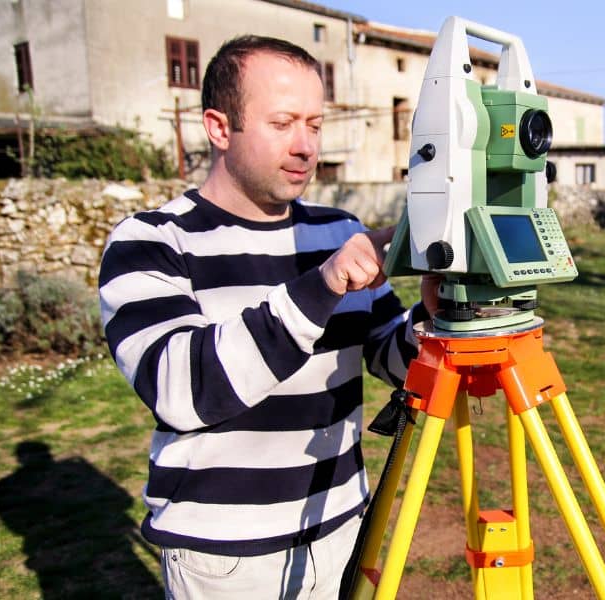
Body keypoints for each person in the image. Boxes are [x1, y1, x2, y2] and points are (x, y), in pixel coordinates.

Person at [98, 35, 437, 598]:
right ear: (218, 127)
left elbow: (390, 356)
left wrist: (431, 317)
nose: (306, 146)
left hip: (341, 532)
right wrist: (321, 286)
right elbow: (184, 388)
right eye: (283, 124)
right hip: (226, 559)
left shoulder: (338, 230)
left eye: (315, 124)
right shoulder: (153, 242)